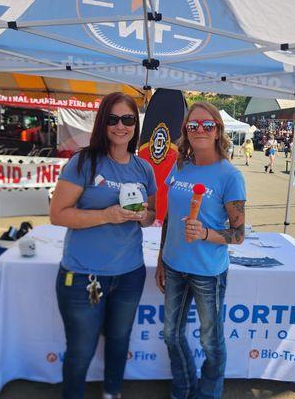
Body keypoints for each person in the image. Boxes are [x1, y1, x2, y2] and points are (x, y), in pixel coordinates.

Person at [49, 92, 157, 399]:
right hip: (83, 276)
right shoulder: (83, 162)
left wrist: (141, 216)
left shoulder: (144, 169)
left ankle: (112, 393)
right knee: (81, 350)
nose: (120, 126)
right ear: (102, 123)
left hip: (129, 274)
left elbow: (151, 217)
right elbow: (58, 215)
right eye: (113, 119)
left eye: (128, 119)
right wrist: (106, 215)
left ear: (136, 125)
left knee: (119, 340)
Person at [155, 102, 246, 399]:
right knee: (171, 334)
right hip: (173, 266)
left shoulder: (230, 176)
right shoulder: (180, 166)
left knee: (210, 341)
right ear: (185, 131)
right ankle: (183, 388)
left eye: (207, 125)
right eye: (193, 125)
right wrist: (160, 261)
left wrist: (206, 233)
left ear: (218, 130)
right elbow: (168, 218)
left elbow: (238, 234)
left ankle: (208, 393)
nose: (200, 130)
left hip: (207, 272)